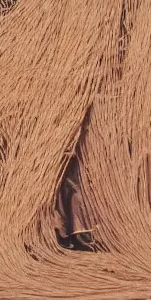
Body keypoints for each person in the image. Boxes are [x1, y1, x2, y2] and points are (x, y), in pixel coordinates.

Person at [56, 106, 97, 252]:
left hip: (75, 157)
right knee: (71, 192)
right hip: (66, 157)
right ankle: (72, 234)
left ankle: (76, 234)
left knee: (74, 191)